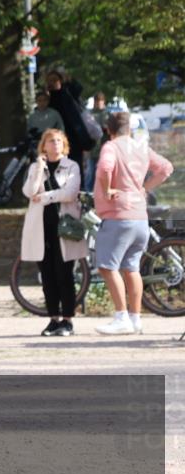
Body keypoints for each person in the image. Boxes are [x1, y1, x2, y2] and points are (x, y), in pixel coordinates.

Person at [94, 113, 173, 335]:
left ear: (108, 130)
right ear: (130, 129)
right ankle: (135, 318)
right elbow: (166, 168)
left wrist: (108, 188)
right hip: (140, 217)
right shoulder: (141, 147)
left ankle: (121, 317)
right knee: (131, 268)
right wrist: (145, 187)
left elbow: (105, 169)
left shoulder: (111, 147)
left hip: (118, 215)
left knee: (107, 266)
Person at [20, 129, 88, 336]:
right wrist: (40, 168)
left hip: (64, 229)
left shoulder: (72, 166)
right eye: (51, 141)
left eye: (59, 141)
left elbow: (70, 193)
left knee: (64, 274)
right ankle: (53, 319)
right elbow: (29, 192)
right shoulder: (35, 166)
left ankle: (67, 319)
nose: (55, 144)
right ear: (44, 145)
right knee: (47, 276)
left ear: (64, 144)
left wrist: (47, 196)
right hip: (42, 228)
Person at [46, 70, 92, 173]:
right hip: (57, 141)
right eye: (49, 81)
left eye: (54, 80)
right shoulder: (48, 100)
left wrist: (68, 79)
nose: (52, 83)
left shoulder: (67, 92)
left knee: (75, 168)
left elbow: (78, 88)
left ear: (61, 81)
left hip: (74, 139)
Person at [83, 92, 109, 191]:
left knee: (102, 172)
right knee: (91, 171)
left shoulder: (107, 114)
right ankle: (88, 193)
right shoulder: (90, 113)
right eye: (96, 101)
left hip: (104, 148)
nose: (98, 103)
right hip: (92, 148)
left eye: (100, 101)